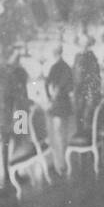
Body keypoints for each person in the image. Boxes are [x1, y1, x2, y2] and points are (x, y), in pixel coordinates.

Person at [0, 44, 30, 186]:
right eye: (16, 56)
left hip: (9, 112)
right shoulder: (19, 72)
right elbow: (23, 94)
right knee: (12, 143)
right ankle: (10, 174)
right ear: (9, 56)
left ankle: (11, 174)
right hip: (14, 112)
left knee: (12, 144)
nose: (18, 58)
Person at [43, 43, 74, 176]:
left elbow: (46, 84)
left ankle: (60, 163)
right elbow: (71, 87)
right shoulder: (67, 67)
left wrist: (49, 97)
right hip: (65, 103)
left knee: (56, 133)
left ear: (54, 54)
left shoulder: (54, 67)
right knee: (64, 133)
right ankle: (64, 161)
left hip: (57, 104)